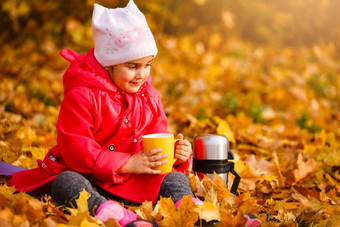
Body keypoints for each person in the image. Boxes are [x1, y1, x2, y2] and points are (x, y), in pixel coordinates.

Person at [8, 1, 201, 226]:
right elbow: (76, 147)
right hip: (90, 175)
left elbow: (155, 137)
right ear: (108, 64)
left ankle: (189, 210)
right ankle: (108, 212)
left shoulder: (149, 95)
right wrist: (125, 164)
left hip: (133, 178)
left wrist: (175, 154)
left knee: (174, 178)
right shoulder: (82, 95)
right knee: (66, 182)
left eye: (147, 64)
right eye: (132, 66)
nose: (142, 75)